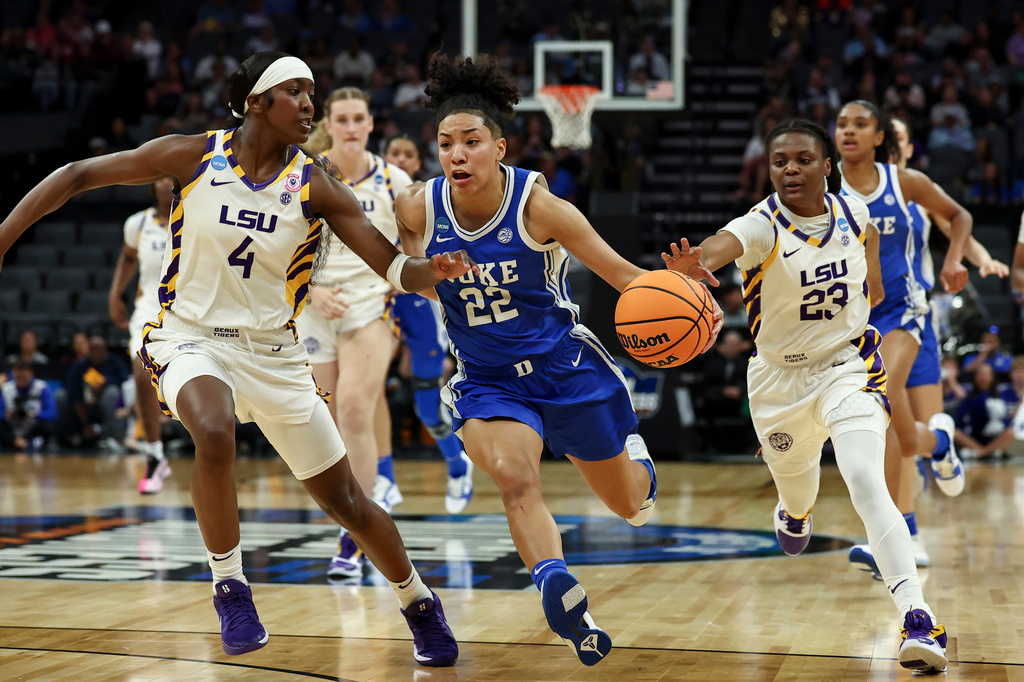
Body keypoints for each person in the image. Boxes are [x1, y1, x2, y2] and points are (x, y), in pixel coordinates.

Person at [0, 51, 467, 666]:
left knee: (346, 502)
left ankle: (418, 602)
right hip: (189, 336)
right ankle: (230, 586)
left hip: (275, 355)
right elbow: (79, 174)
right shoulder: (194, 156)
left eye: (312, 94)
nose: (309, 106)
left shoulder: (317, 185)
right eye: (296, 93)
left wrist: (431, 270)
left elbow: (393, 267)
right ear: (256, 103)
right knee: (213, 433)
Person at [394, 52, 722, 667]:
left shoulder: (540, 208)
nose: (457, 154)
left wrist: (696, 300)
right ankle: (556, 585)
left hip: (565, 369)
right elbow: (406, 266)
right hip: (486, 380)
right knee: (515, 479)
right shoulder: (420, 206)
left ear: (500, 147)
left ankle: (639, 465)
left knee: (629, 506)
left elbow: (625, 276)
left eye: (471, 141)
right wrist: (422, 275)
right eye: (445, 144)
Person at [668, 118, 949, 673]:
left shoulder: (853, 212)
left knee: (867, 479)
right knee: (799, 494)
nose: (790, 169)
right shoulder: (760, 226)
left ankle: (918, 617)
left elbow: (870, 268)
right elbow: (723, 246)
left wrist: (864, 299)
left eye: (802, 159)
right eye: (779, 162)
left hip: (847, 367)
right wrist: (698, 266)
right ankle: (794, 511)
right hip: (776, 384)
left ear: (828, 168)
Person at [847, 114, 1007, 574]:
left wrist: (981, 259)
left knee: (895, 422)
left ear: (903, 144)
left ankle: (929, 464)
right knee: (893, 424)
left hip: (915, 319)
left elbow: (961, 225)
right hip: (869, 321)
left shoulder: (911, 189)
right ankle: (911, 518)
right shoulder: (846, 190)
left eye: (896, 134)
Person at [298, 87, 418, 579]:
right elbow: (279, 248)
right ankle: (355, 509)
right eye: (341, 118)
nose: (350, 126)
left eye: (358, 119)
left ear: (371, 124)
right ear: (330, 122)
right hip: (312, 305)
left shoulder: (395, 180)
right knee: (325, 425)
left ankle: (355, 538)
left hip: (372, 304)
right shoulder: (303, 172)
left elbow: (411, 253)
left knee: (353, 407)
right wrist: (310, 291)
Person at [834, 100, 968, 513]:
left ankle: (900, 529)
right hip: (851, 319)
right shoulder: (823, 189)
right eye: (841, 124)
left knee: (884, 392)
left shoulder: (903, 181)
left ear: (878, 138)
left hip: (903, 308)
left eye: (860, 124)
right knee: (900, 435)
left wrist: (954, 259)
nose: (848, 131)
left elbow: (958, 215)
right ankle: (938, 443)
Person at [384, 133, 474, 514]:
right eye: (394, 153)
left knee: (425, 407)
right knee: (361, 393)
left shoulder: (428, 200)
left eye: (408, 154)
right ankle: (383, 478)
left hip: (419, 306)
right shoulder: (366, 188)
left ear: (418, 163)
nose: (401, 159)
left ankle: (457, 463)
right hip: (374, 302)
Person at [109, 177, 175, 494]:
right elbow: (128, 258)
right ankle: (155, 454)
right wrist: (115, 294)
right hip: (148, 309)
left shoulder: (196, 216)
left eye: (170, 177)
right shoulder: (138, 223)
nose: (164, 183)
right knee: (140, 371)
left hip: (189, 310)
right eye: (159, 177)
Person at [61, 335, 130, 451]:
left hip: (113, 406)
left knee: (111, 393)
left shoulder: (115, 362)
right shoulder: (79, 367)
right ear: (88, 350)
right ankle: (64, 439)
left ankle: (118, 437)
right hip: (84, 406)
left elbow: (126, 383)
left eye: (99, 349)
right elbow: (74, 394)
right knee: (61, 396)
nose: (96, 353)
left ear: (105, 350)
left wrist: (105, 384)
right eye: (93, 349)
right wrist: (86, 424)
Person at [0, 360, 57, 452]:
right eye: (17, 377)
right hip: (13, 429)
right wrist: (7, 415)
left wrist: (34, 415)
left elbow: (52, 414)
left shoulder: (41, 387)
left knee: (48, 425)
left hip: (33, 426)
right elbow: (1, 414)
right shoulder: (7, 389)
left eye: (23, 377)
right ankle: (16, 442)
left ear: (31, 374)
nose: (20, 379)